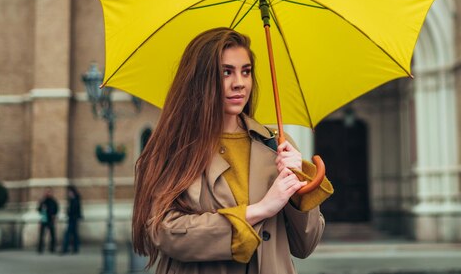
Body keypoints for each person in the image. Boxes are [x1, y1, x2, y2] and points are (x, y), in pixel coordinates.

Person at [132, 28, 333, 274]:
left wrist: (299, 185)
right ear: (201, 79)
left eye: (245, 71)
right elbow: (165, 232)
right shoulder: (178, 147)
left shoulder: (276, 145)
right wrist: (260, 210)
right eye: (226, 72)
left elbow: (305, 245)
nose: (239, 83)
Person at [61, 185, 82, 254]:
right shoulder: (73, 200)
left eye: (69, 192)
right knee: (74, 234)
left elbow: (75, 210)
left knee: (68, 234)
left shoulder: (75, 200)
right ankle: (75, 248)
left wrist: (69, 212)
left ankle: (65, 248)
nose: (68, 194)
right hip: (72, 219)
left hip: (73, 219)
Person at [37, 188, 59, 253]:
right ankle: (40, 248)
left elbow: (56, 209)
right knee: (42, 235)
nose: (48, 193)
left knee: (52, 235)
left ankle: (52, 248)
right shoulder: (43, 201)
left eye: (49, 192)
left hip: (50, 220)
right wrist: (41, 208)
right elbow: (39, 209)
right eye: (47, 192)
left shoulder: (53, 201)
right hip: (44, 219)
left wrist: (54, 216)